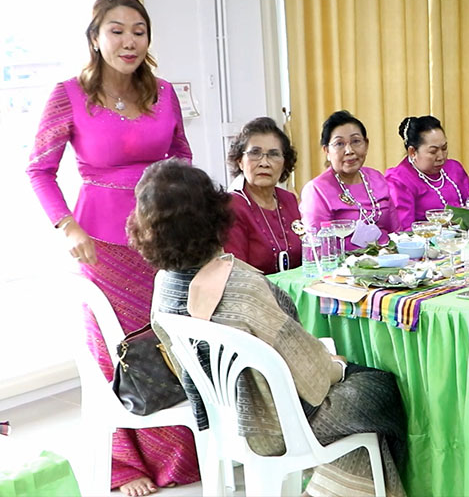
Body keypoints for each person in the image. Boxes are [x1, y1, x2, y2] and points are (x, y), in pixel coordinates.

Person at [130, 159, 408, 497]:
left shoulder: (164, 284)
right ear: (214, 215)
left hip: (225, 418)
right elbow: (312, 375)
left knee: (359, 393)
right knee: (380, 387)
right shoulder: (241, 286)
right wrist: (337, 366)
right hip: (278, 426)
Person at [26, 0, 198, 496]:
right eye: (117, 31)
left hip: (163, 241)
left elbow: (181, 156)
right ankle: (124, 464)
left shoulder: (163, 93)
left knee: (171, 341)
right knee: (116, 348)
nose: (129, 41)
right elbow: (38, 170)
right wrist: (67, 226)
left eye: (139, 32)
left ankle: (180, 454)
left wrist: (181, 211)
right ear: (95, 38)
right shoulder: (69, 95)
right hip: (102, 245)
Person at [299, 110, 399, 249]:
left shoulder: (377, 178)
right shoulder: (317, 190)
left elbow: (396, 231)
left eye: (356, 141)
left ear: (366, 144)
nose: (349, 150)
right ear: (326, 151)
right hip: (343, 262)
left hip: (388, 257)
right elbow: (318, 248)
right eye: (339, 144)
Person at [224, 117, 302, 274]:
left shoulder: (289, 200)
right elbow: (236, 272)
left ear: (285, 163)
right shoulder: (231, 206)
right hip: (252, 289)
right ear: (240, 161)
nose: (264, 163)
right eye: (255, 153)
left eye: (274, 154)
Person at [385, 115, 469, 230]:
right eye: (433, 151)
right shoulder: (399, 181)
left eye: (444, 148)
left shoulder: (454, 169)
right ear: (412, 152)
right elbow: (405, 230)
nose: (441, 157)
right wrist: (438, 227)